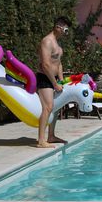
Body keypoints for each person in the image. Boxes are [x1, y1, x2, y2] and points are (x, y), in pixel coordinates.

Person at [36, 16, 71, 148]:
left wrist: (61, 81)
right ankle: (41, 140)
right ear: (58, 26)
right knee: (48, 107)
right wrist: (54, 83)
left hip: (55, 79)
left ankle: (51, 136)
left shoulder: (57, 43)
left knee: (55, 109)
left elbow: (59, 63)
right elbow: (45, 65)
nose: (66, 32)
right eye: (65, 28)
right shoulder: (47, 41)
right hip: (45, 78)